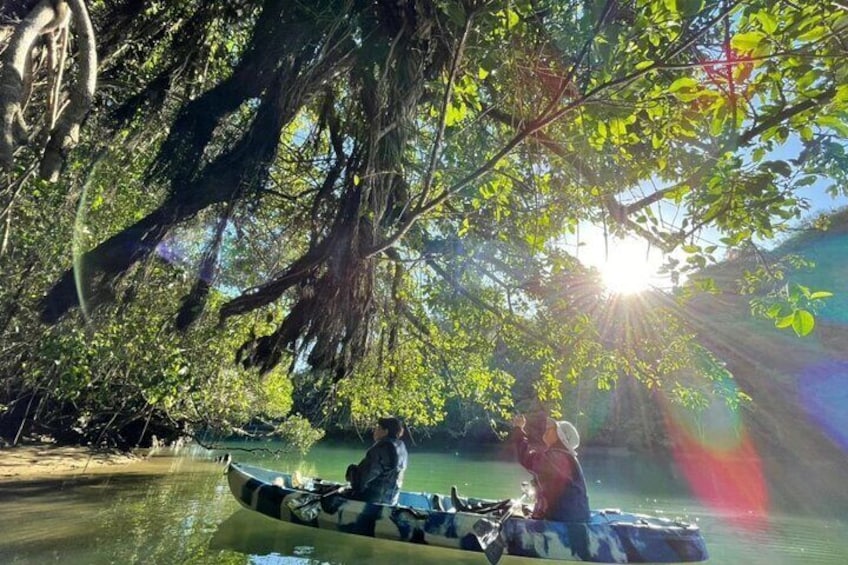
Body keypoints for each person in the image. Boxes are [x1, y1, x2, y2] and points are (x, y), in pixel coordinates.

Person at [512, 413, 590, 523]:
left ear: (560, 436)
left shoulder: (556, 457)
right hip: (573, 516)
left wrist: (518, 429)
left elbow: (526, 458)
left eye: (552, 429)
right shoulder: (563, 456)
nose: (547, 429)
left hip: (563, 520)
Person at [345, 416, 408, 505]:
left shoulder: (380, 449)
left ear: (386, 431)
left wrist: (351, 472)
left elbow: (362, 480)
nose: (374, 431)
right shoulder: (401, 446)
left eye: (378, 428)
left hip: (374, 501)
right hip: (392, 499)